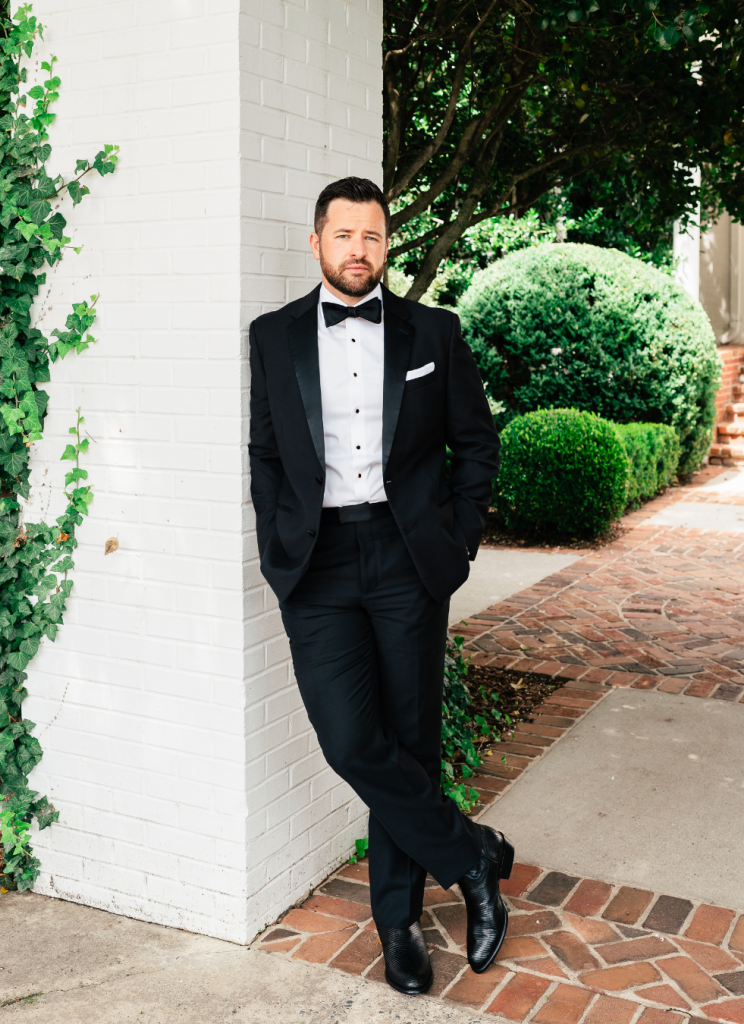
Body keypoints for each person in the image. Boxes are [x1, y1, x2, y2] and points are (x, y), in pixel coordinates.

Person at [248, 177, 511, 995]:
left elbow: (476, 445)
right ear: (317, 242)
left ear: (385, 244)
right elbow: (265, 453)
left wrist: (457, 542)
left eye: (371, 235)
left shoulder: (435, 331)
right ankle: (472, 858)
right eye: (343, 235)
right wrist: (277, 545)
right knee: (349, 741)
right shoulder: (273, 336)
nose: (357, 249)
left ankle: (395, 922)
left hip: (406, 560)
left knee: (409, 740)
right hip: (317, 564)